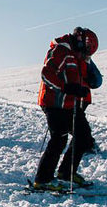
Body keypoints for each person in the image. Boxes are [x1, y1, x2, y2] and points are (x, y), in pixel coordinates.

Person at [31, 26, 101, 191]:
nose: (86, 56)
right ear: (82, 44)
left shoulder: (75, 54)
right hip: (54, 103)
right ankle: (42, 180)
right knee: (59, 140)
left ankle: (66, 173)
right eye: (86, 52)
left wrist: (81, 89)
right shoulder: (61, 50)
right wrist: (67, 88)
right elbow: (46, 73)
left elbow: (77, 78)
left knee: (83, 137)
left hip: (70, 104)